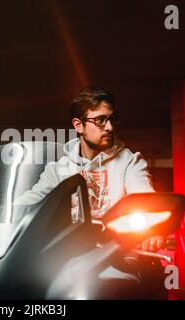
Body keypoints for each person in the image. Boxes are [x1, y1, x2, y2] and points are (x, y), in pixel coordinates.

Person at [15, 87, 164, 252]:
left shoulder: (129, 161)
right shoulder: (59, 169)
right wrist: (2, 211)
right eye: (100, 120)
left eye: (112, 119)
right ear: (79, 125)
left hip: (117, 252)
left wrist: (153, 227)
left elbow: (143, 195)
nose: (109, 127)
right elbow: (33, 200)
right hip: (68, 254)